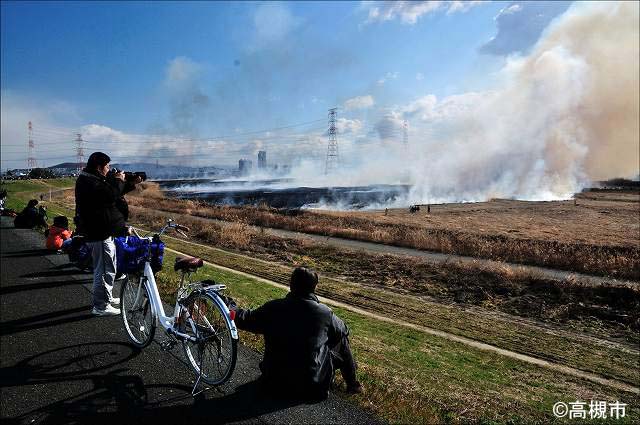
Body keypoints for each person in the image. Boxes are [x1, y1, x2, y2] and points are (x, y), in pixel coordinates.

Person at [231, 267, 363, 401]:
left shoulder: (274, 307)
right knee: (341, 339)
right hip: (311, 389)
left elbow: (245, 319)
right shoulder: (325, 313)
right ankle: (352, 385)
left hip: (272, 383)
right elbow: (345, 330)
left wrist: (229, 305)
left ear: (291, 284)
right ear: (314, 287)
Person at [75, 152, 141, 316]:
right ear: (99, 167)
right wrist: (119, 179)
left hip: (101, 231)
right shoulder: (89, 182)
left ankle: (107, 297)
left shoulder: (91, 179)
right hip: (98, 232)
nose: (109, 169)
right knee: (103, 270)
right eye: (107, 166)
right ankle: (101, 306)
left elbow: (113, 193)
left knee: (108, 267)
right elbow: (110, 195)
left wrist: (130, 183)